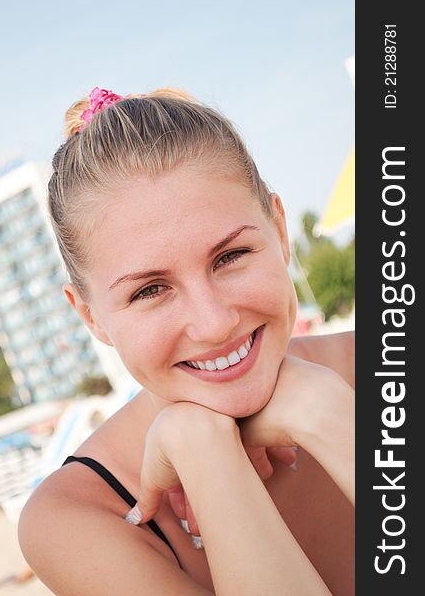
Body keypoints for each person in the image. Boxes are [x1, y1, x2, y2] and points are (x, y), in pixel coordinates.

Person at [18, 87, 354, 595]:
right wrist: (202, 451)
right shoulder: (80, 514)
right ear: (91, 318)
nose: (214, 323)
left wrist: (329, 414)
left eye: (231, 256)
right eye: (151, 290)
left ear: (280, 231)